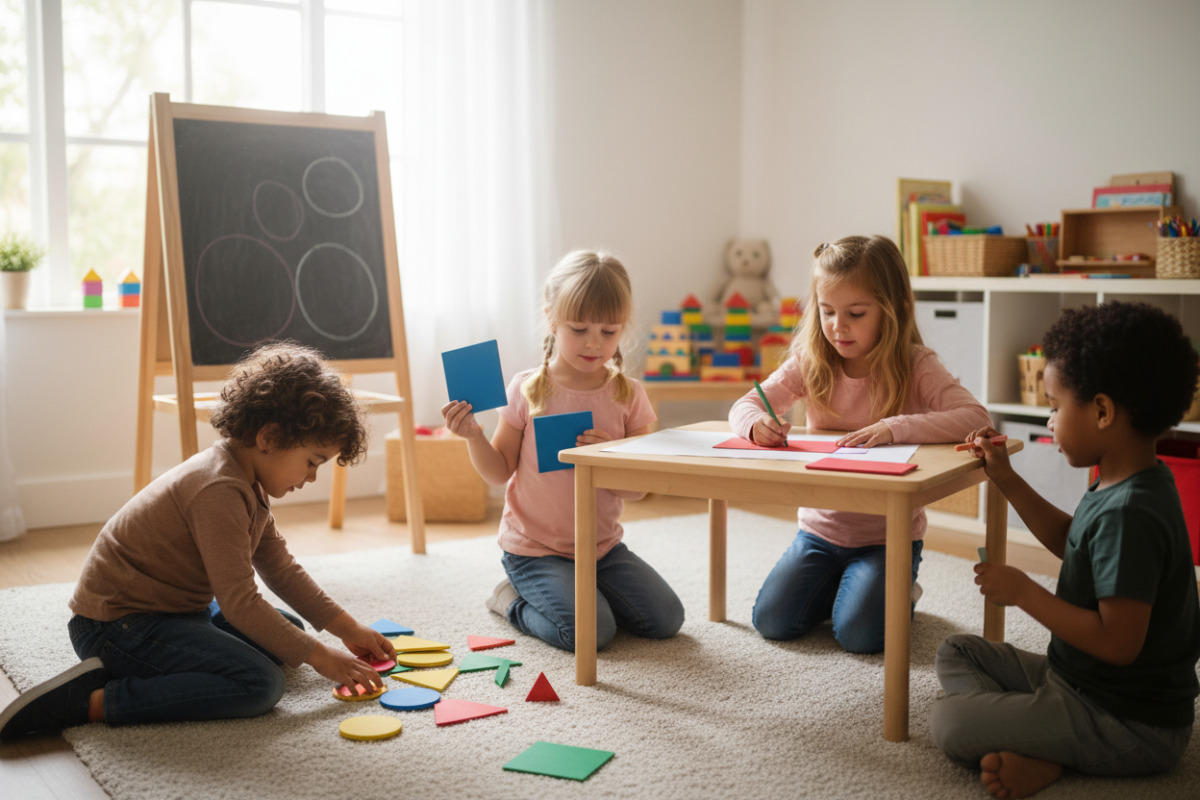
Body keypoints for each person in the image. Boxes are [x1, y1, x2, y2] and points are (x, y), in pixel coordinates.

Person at [0, 341, 397, 740]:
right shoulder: (218, 490)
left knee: (287, 632)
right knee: (260, 684)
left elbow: (281, 570)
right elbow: (240, 602)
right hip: (116, 626)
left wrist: (348, 629)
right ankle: (90, 700)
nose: (311, 477)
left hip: (175, 609)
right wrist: (322, 657)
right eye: (312, 462)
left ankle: (159, 666)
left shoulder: (247, 481)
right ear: (269, 437)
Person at [930, 301, 1200, 799]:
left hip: (1131, 721)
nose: (1050, 421)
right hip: (1076, 679)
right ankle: (1039, 736)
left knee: (949, 723)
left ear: (1102, 411)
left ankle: (1050, 751)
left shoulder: (1130, 513)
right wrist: (1006, 477)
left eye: (1055, 407)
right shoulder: (1128, 478)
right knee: (957, 651)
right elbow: (1071, 541)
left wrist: (1025, 592)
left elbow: (1118, 644)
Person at [729, 235, 990, 653]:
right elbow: (745, 404)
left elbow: (976, 418)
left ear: (894, 308)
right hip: (818, 531)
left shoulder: (915, 363)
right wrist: (756, 424)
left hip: (887, 538)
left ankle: (899, 592)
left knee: (859, 636)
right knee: (773, 621)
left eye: (855, 313)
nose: (838, 326)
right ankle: (848, 589)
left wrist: (895, 427)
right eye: (827, 311)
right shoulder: (812, 359)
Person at [441, 249, 684, 652]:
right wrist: (473, 437)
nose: (594, 343)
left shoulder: (629, 394)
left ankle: (586, 597)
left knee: (666, 619)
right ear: (552, 318)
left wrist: (614, 458)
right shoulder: (526, 389)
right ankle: (510, 600)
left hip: (601, 549)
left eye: (609, 331)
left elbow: (639, 489)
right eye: (579, 328)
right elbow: (498, 472)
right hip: (535, 551)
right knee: (592, 634)